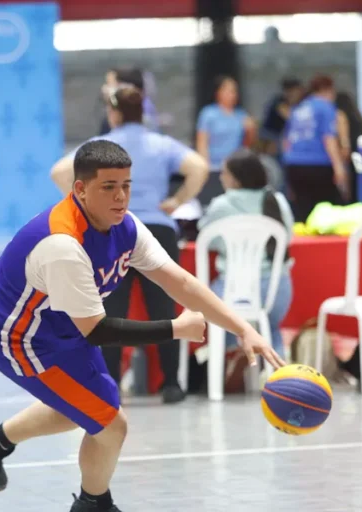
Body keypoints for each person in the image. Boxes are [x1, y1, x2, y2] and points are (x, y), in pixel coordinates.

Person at [0, 140, 284, 511]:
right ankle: (93, 504)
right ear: (80, 189)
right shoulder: (63, 244)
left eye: (126, 185)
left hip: (61, 322)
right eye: (108, 187)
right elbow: (99, 331)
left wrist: (242, 329)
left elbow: (180, 282)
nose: (120, 197)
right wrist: (175, 328)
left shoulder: (126, 226)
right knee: (110, 424)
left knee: (89, 408)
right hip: (17, 336)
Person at [51, 85, 209, 404]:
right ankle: (171, 384)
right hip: (159, 229)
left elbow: (59, 172)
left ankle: (110, 385)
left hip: (113, 231)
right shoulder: (161, 144)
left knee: (110, 311)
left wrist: (87, 206)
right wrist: (177, 200)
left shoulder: (101, 147)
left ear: (114, 113)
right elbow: (199, 167)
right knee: (164, 308)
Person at [197, 149, 294, 391]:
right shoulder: (278, 200)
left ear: (236, 179)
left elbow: (208, 239)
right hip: (277, 292)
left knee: (216, 311)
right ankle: (282, 379)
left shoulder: (221, 204)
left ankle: (230, 354)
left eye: (224, 173)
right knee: (270, 326)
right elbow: (288, 236)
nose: (221, 178)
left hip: (232, 294)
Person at [282, 74, 348, 222]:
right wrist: (339, 167)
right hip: (317, 165)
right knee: (328, 211)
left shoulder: (298, 108)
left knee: (302, 212)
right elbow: (329, 138)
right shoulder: (326, 107)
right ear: (327, 90)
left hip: (294, 165)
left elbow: (287, 142)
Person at [195, 76, 257, 205]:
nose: (232, 94)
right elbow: (202, 142)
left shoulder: (241, 115)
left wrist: (251, 131)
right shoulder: (208, 113)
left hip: (235, 169)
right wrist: (204, 167)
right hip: (214, 168)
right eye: (228, 90)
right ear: (218, 92)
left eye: (234, 91)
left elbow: (247, 146)